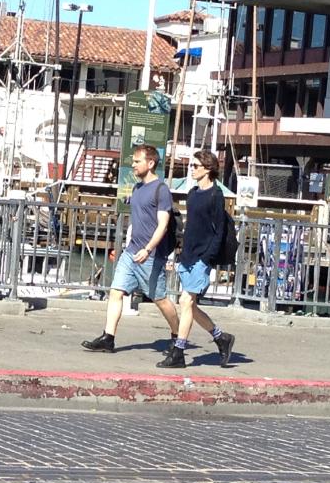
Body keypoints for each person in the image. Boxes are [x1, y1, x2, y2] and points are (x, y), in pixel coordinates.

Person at [82, 144, 179, 353]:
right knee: (116, 291)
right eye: (133, 161)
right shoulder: (137, 188)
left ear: (150, 163)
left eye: (137, 161)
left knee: (160, 299)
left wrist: (148, 249)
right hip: (131, 251)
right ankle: (108, 338)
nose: (133, 165)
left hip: (151, 256)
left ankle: (177, 337)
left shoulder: (161, 190)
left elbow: (163, 224)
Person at [159, 150, 235, 369]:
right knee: (190, 306)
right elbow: (191, 226)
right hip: (188, 255)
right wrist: (181, 251)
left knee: (185, 301)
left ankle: (178, 352)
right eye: (191, 165)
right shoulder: (192, 193)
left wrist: (207, 258)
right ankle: (221, 338)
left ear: (208, 168)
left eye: (195, 165)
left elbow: (218, 231)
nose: (191, 169)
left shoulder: (215, 195)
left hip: (202, 258)